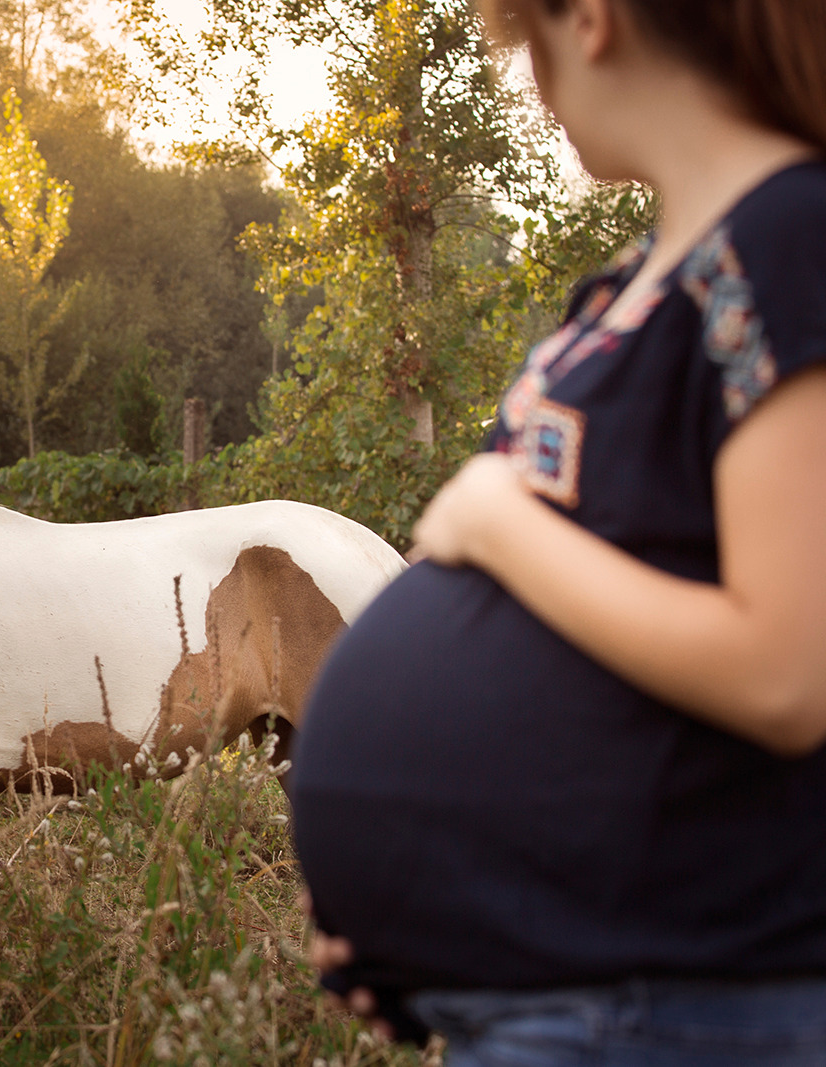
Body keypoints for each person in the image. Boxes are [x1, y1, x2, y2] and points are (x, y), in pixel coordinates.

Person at [288, 0, 826, 1063]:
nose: (527, 85)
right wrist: (413, 909)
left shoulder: (791, 237)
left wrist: (497, 527)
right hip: (558, 994)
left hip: (668, 1006)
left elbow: (788, 668)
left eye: (517, 45)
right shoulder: (635, 282)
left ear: (589, 17)